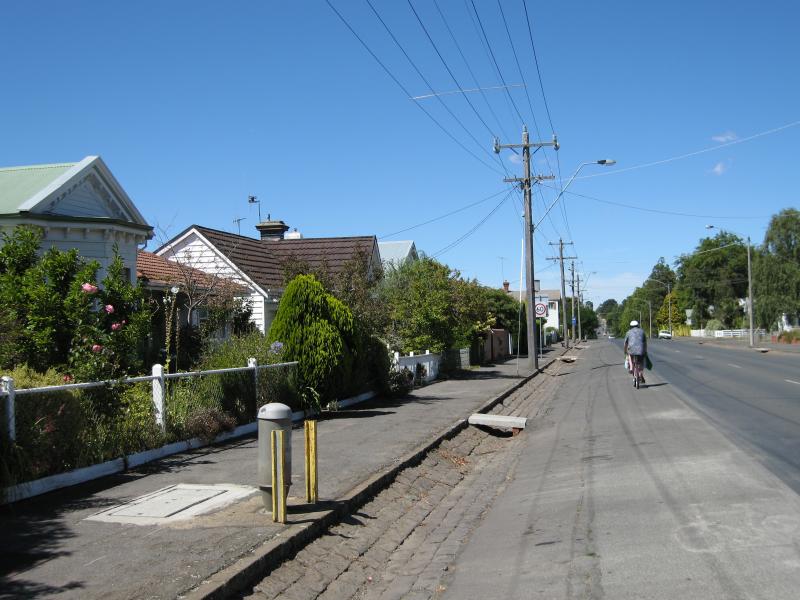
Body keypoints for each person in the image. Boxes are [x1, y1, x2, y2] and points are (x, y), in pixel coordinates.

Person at [624, 320, 647, 385]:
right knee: (641, 362)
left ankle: (631, 367)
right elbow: (645, 343)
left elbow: (625, 343)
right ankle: (640, 374)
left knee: (629, 355)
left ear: (631, 326)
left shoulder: (628, 332)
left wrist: (625, 351)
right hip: (641, 350)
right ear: (638, 326)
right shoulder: (642, 331)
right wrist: (645, 351)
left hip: (631, 350)